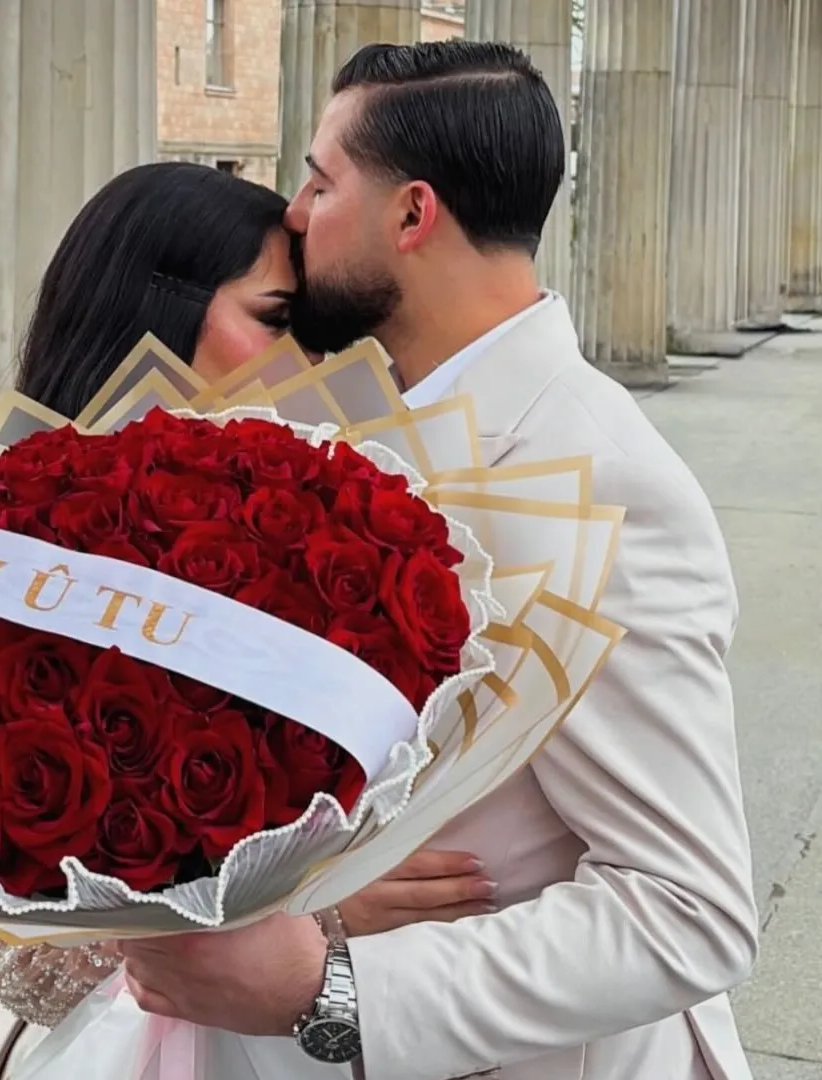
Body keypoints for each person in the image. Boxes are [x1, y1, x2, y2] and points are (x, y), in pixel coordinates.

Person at [117, 41, 759, 1080]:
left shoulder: (603, 478)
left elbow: (691, 908)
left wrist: (331, 990)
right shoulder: (345, 418)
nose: (294, 214)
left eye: (321, 183)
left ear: (412, 214)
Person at [0, 161, 497, 1080]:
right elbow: (24, 967)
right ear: (152, 311)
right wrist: (297, 920)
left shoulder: (338, 534)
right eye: (275, 319)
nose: (311, 365)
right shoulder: (13, 552)